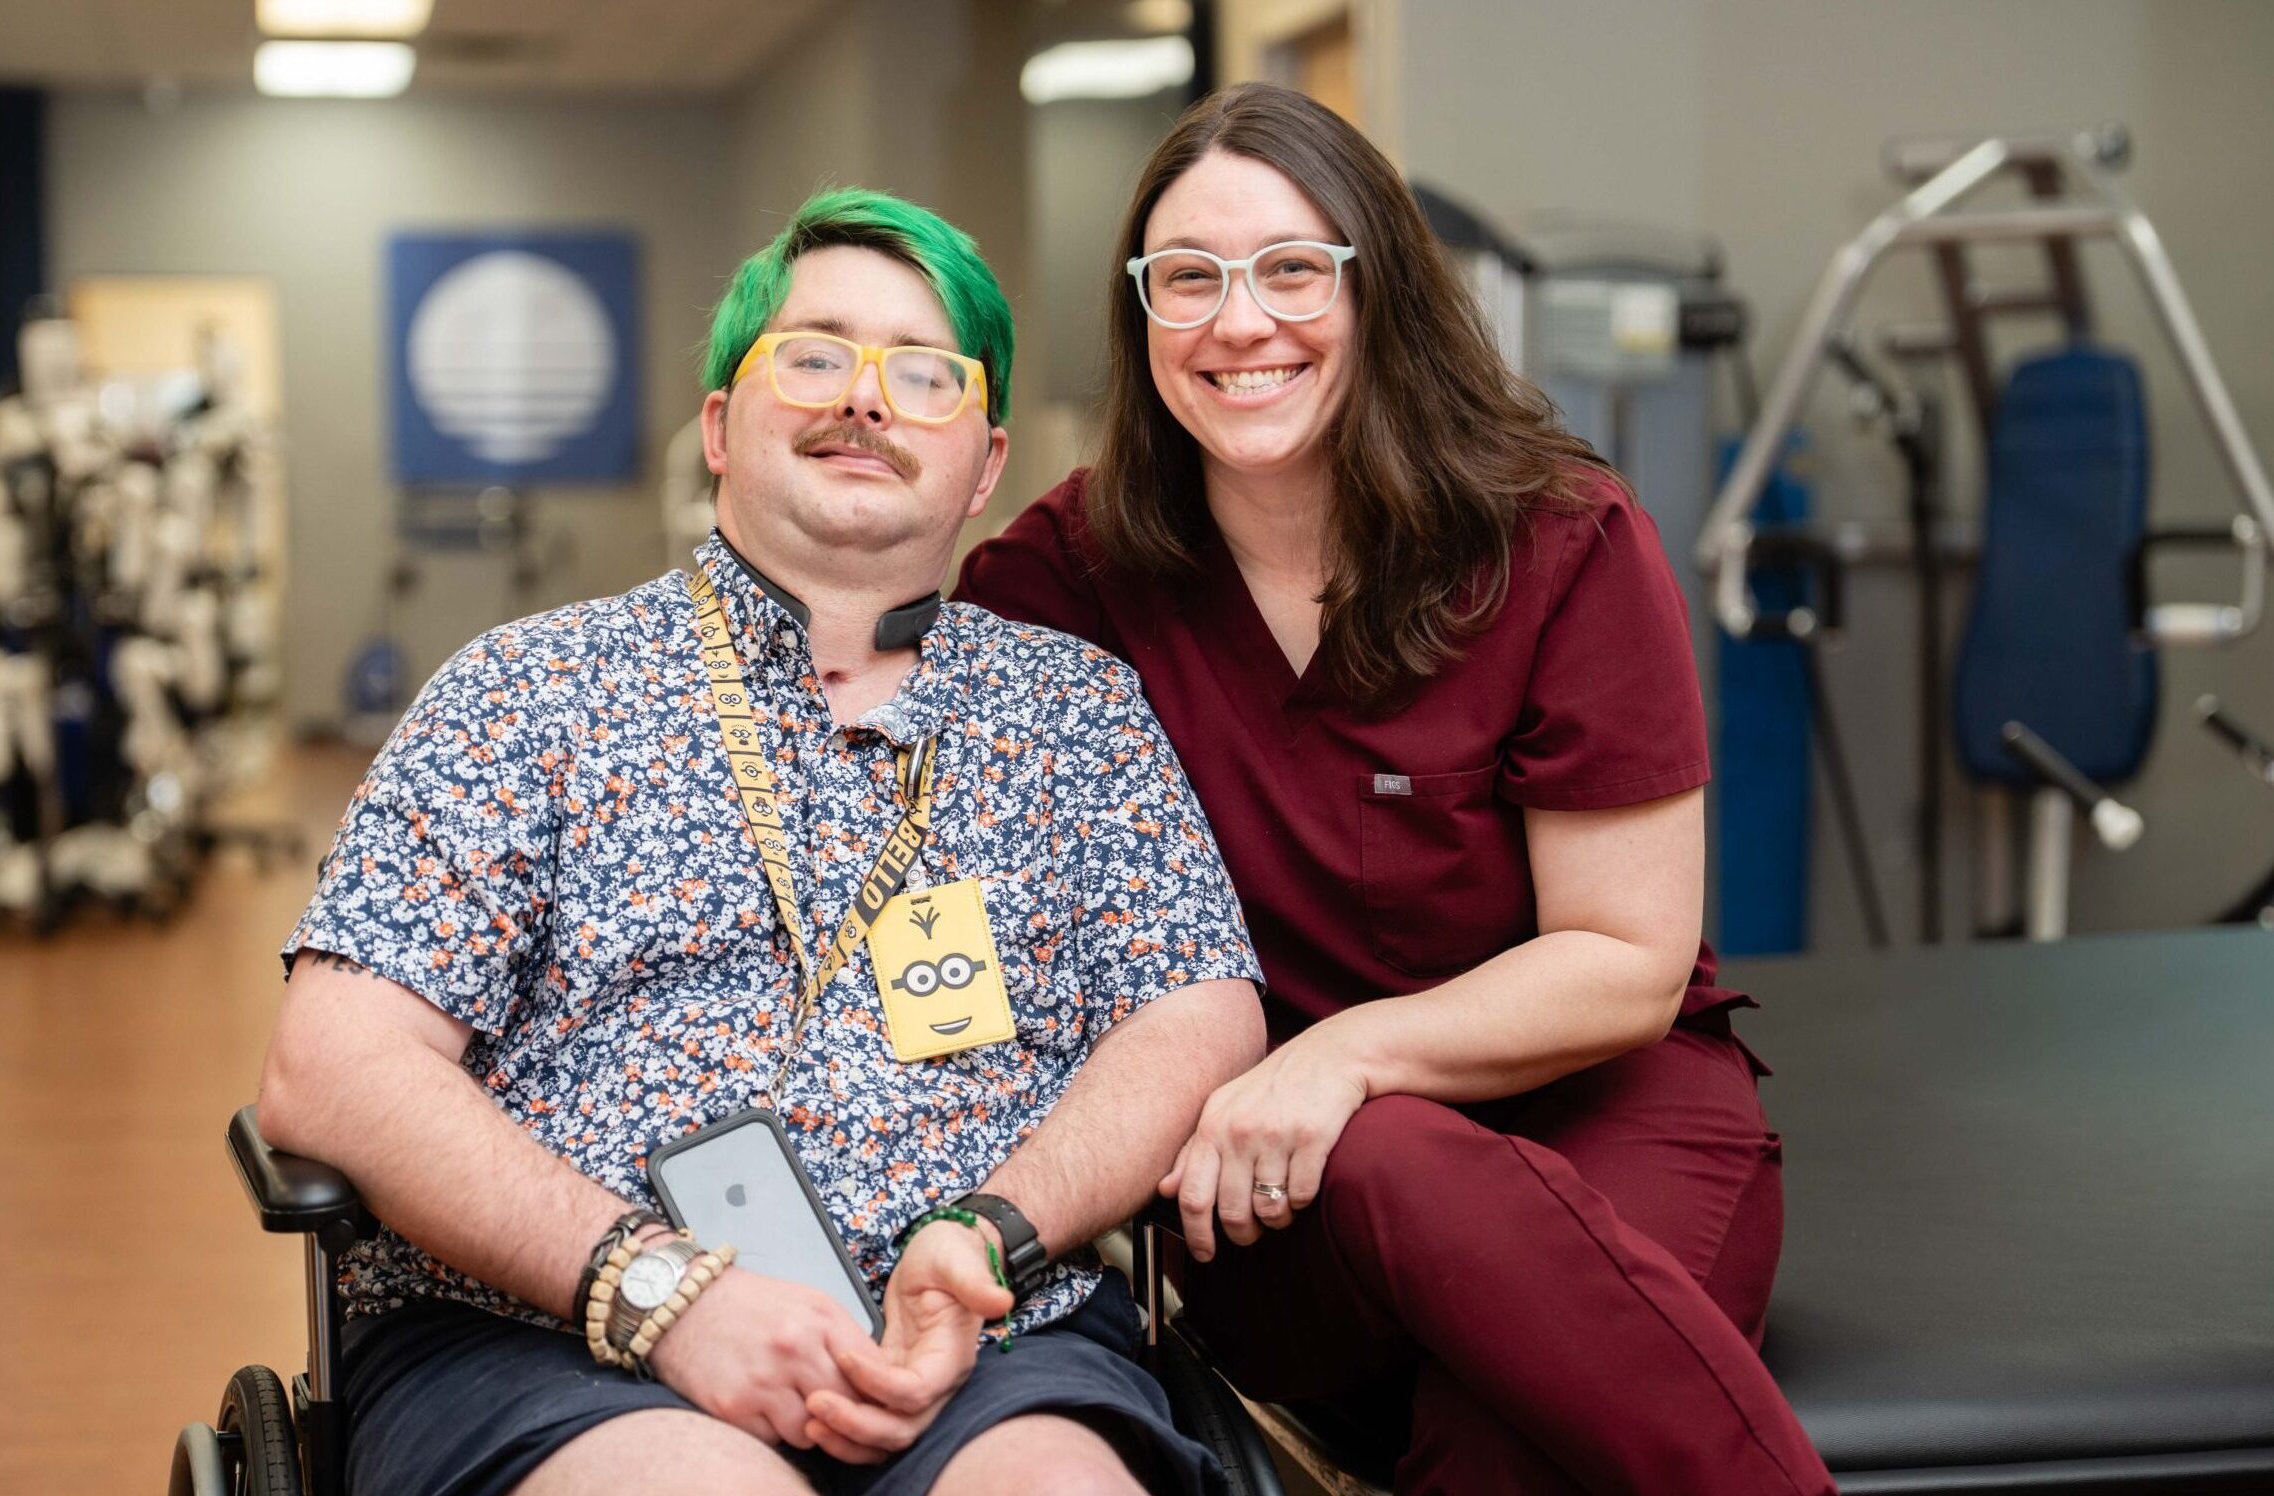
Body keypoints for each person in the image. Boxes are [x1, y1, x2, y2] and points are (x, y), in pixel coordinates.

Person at [258, 187, 1267, 1496]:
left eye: (923, 374)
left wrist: (989, 1231)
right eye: (814, 355)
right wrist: (659, 1292)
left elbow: (1194, 1013)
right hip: (553, 1339)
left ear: (987, 460)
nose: (865, 400)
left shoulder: (1075, 716)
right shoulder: (528, 693)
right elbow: (332, 1067)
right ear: (723, 429)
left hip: (984, 1338)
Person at [955, 84, 1838, 1496]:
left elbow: (1625, 959)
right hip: (1280, 1193)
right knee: (1386, 1163)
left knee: (1508, 1443)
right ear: (1142, 319)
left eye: (1293, 269)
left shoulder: (1555, 541)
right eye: (1188, 279)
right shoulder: (1058, 584)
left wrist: (1343, 1055)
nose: (1240, 322)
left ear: (1381, 293)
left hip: (1609, 1113)